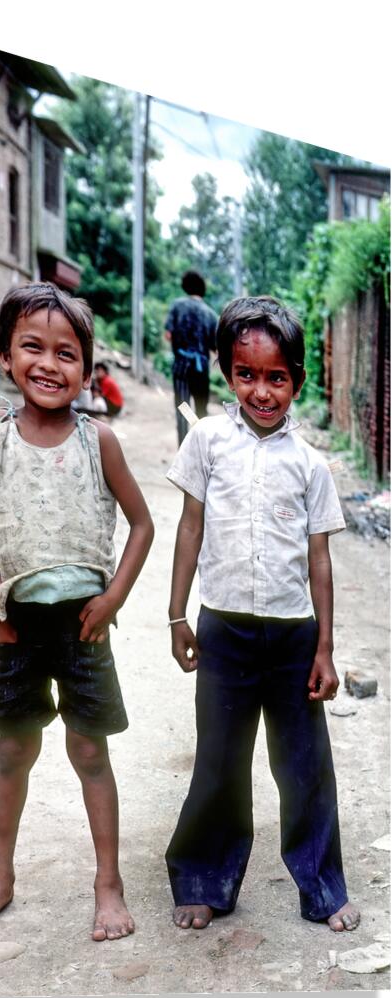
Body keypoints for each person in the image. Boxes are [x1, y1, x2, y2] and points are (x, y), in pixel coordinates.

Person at [0, 282, 154, 941]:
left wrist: (112, 595)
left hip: (82, 623)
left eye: (66, 352)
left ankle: (108, 883)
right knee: (14, 747)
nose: (48, 363)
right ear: (5, 357)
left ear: (88, 367)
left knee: (89, 749)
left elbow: (143, 524)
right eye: (31, 347)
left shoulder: (99, 441)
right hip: (11, 623)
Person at [164, 295, 360, 934]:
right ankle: (203, 878)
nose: (262, 391)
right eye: (247, 374)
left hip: (293, 634)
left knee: (304, 767)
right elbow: (190, 529)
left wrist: (325, 648)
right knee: (219, 762)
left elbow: (321, 562)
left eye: (277, 377)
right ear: (225, 371)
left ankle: (322, 886)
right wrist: (176, 615)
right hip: (223, 627)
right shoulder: (208, 440)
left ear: (298, 381)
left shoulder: (310, 465)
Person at [165, 270, 217, 444]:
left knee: (183, 408)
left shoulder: (177, 306)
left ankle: (184, 450)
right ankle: (202, 447)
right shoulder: (210, 314)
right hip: (201, 367)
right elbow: (215, 347)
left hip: (181, 365)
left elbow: (168, 335)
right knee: (202, 410)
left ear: (185, 286)